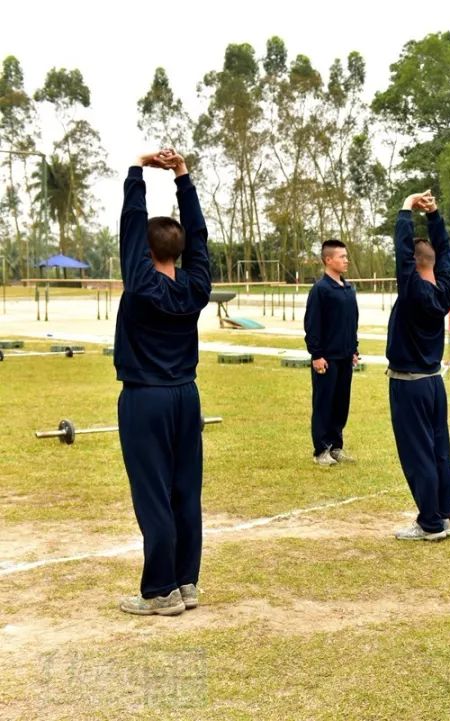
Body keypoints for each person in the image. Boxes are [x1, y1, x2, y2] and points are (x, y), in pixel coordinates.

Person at [115, 149, 211, 616]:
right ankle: (186, 582)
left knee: (153, 493)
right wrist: (182, 178)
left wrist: (137, 170)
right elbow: (200, 237)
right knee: (184, 490)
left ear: (147, 253)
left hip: (146, 398)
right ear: (180, 251)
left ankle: (159, 592)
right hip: (184, 396)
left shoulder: (141, 285)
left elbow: (131, 229)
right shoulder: (195, 288)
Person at [386, 189, 450, 540]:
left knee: (418, 454)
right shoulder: (444, 290)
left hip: (410, 384)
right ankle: (442, 514)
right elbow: (448, 255)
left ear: (414, 265)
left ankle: (430, 522)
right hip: (433, 383)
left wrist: (405, 211)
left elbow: (402, 257)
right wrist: (434, 216)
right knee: (439, 450)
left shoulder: (413, 289)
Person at [304, 239, 360, 466]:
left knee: (340, 404)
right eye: (342, 257)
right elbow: (312, 324)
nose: (346, 260)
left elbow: (352, 322)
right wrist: (316, 355)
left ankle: (336, 447)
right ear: (328, 260)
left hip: (345, 357)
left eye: (346, 257)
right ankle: (321, 450)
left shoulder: (348, 289)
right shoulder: (320, 290)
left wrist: (354, 349)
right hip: (326, 359)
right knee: (324, 404)